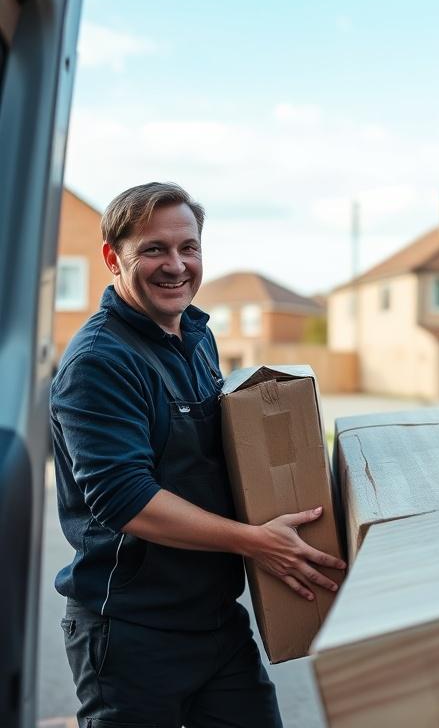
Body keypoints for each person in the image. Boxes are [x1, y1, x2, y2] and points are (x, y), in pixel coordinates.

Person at [50, 182, 347, 727]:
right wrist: (258, 543)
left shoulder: (197, 336)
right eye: (154, 249)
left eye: (188, 248)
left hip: (215, 621)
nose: (176, 265)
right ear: (113, 258)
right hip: (131, 632)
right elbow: (127, 501)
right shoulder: (99, 362)